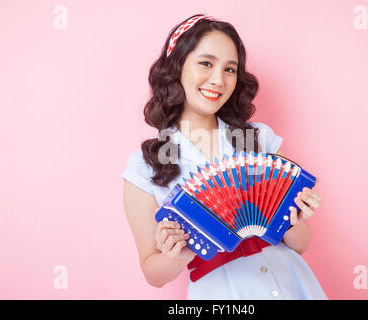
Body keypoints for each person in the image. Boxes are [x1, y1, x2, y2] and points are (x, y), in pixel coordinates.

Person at [122, 14, 327, 299]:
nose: (218, 80)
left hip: (293, 285)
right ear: (176, 68)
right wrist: (178, 253)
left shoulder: (259, 138)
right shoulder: (144, 166)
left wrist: (293, 221)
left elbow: (301, 244)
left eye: (230, 69)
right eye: (206, 63)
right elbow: (152, 274)